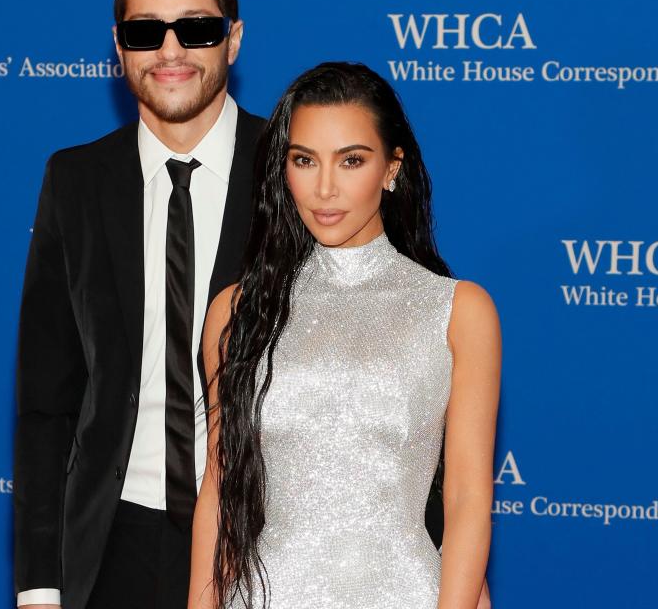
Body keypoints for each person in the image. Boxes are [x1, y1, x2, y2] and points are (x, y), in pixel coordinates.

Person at [188, 63, 501, 609]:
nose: (325, 188)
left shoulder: (457, 311)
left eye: (351, 160)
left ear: (391, 168)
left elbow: (468, 498)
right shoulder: (238, 312)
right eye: (304, 161)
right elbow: (220, 489)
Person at [13, 0, 264, 609]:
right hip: (114, 539)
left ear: (233, 40)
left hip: (268, 538)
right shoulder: (75, 181)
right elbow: (47, 401)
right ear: (119, 49)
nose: (172, 49)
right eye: (146, 31)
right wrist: (39, 583)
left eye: (198, 27)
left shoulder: (292, 173)